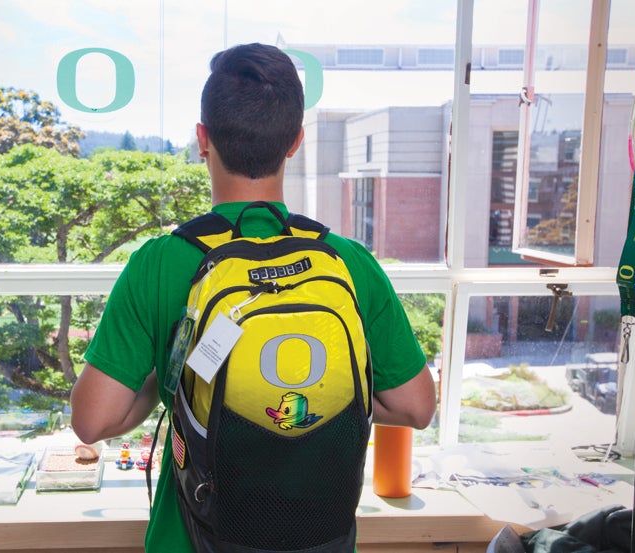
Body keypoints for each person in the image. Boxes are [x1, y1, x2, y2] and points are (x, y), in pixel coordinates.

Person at [70, 42, 437, 552]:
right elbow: (417, 407)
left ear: (202, 139)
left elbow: (93, 421)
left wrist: (179, 377)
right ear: (295, 142)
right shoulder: (349, 263)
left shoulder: (158, 263)